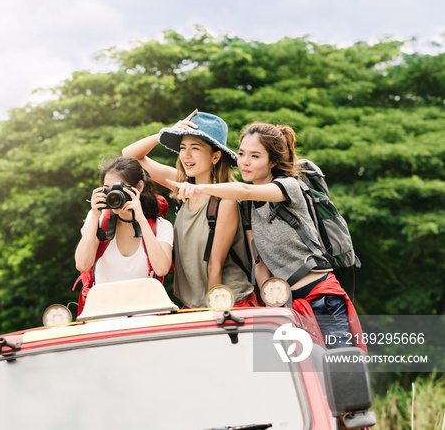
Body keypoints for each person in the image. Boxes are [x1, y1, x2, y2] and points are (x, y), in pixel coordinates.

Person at [167, 122, 365, 350]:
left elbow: (244, 189)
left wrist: (200, 188)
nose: (245, 162)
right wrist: (273, 306)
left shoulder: (289, 187)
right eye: (241, 154)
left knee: (342, 368)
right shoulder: (247, 206)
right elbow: (258, 261)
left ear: (272, 162)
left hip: (319, 296)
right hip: (283, 303)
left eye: (255, 156)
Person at [122, 110, 257, 309]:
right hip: (194, 306)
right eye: (183, 147)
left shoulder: (225, 199)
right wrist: (164, 133)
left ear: (215, 156)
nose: (186, 155)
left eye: (195, 148)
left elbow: (215, 266)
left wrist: (213, 314)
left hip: (226, 303)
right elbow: (130, 157)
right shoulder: (181, 186)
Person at [74, 157, 174, 311]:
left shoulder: (161, 226)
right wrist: (94, 215)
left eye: (120, 189)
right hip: (102, 314)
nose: (114, 195)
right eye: (108, 188)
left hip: (145, 315)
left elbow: (161, 269)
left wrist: (141, 218)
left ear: (139, 187)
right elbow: (82, 264)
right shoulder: (98, 220)